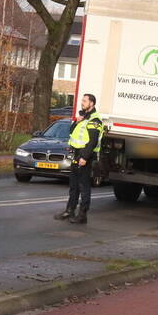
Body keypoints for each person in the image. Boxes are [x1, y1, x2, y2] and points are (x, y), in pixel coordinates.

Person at [54, 93, 103, 224]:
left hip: (85, 156)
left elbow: (92, 142)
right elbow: (71, 132)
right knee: (73, 186)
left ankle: (82, 215)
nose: (82, 102)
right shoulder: (84, 118)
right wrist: (77, 121)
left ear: (92, 103)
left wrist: (85, 157)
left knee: (84, 186)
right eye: (82, 100)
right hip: (76, 154)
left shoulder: (95, 120)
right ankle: (69, 211)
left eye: (85, 101)